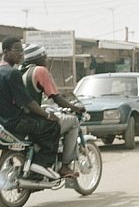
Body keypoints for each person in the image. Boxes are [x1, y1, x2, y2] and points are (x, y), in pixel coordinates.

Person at [21, 43, 86, 177]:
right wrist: (75, 108)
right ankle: (66, 166)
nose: (47, 60)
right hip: (36, 120)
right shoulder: (40, 71)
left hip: (22, 118)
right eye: (44, 57)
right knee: (73, 121)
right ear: (38, 58)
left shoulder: (19, 71)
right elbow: (56, 97)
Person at [0, 37, 61, 179]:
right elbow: (27, 102)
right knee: (53, 126)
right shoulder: (12, 73)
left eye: (22, 50)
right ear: (5, 51)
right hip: (16, 122)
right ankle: (42, 164)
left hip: (3, 122)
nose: (20, 54)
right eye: (16, 50)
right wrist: (47, 115)